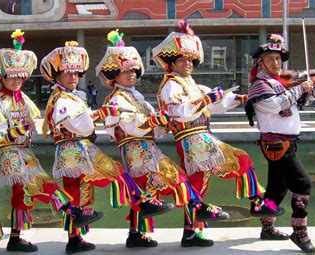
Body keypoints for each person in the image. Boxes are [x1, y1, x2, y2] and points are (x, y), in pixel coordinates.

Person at [96, 29, 229, 248]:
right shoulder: (115, 99)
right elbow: (132, 125)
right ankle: (197, 207)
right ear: (115, 76)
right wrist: (155, 121)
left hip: (147, 147)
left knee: (148, 191)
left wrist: (162, 122)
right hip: (135, 149)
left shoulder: (136, 97)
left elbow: (154, 128)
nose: (131, 75)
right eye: (124, 71)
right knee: (176, 178)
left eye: (134, 71)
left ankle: (136, 234)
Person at [40, 41, 173, 253]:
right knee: (117, 173)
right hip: (76, 148)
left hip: (72, 150)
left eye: (76, 73)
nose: (73, 77)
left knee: (78, 191)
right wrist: (100, 113)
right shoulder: (62, 99)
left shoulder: (67, 96)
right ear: (57, 76)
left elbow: (83, 123)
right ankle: (142, 202)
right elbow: (82, 125)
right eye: (68, 73)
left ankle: (74, 240)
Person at [0, 30, 103, 252]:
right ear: (2, 78)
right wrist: (10, 134)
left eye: (20, 76)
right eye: (12, 76)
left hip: (25, 153)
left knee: (22, 196)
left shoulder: (23, 99)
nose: (17, 80)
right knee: (44, 186)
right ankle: (72, 212)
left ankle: (15, 238)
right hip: (11, 155)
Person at [152, 21, 283, 223]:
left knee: (197, 186)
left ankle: (192, 232)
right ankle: (257, 202)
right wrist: (207, 99)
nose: (187, 63)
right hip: (193, 138)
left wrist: (236, 99)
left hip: (195, 139)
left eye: (190, 60)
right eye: (181, 60)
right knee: (241, 159)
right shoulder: (171, 84)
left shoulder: (190, 84)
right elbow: (180, 112)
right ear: (172, 62)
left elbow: (214, 103)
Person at [245, 34, 315, 253]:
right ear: (261, 62)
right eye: (270, 59)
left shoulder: (280, 84)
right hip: (276, 144)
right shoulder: (260, 86)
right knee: (303, 183)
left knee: (277, 187)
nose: (276, 63)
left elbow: (305, 100)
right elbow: (276, 104)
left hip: (285, 143)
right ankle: (299, 232)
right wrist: (300, 87)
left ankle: (267, 228)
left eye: (279, 59)